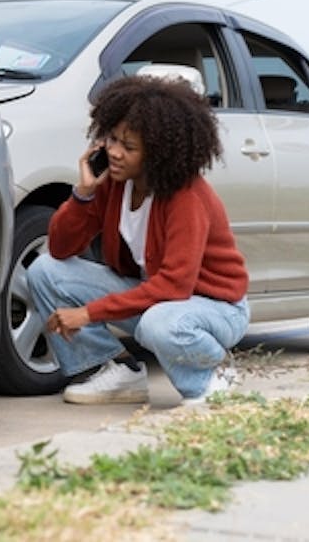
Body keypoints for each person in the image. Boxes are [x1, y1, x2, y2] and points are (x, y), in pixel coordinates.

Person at [26, 73, 250, 405]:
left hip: (216, 307)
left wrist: (87, 313)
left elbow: (174, 286)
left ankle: (210, 379)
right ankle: (116, 372)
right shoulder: (114, 184)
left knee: (158, 324)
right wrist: (84, 194)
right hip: (160, 298)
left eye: (128, 147)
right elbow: (60, 248)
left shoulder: (186, 197)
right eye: (112, 139)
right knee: (45, 271)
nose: (114, 152)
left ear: (158, 153)